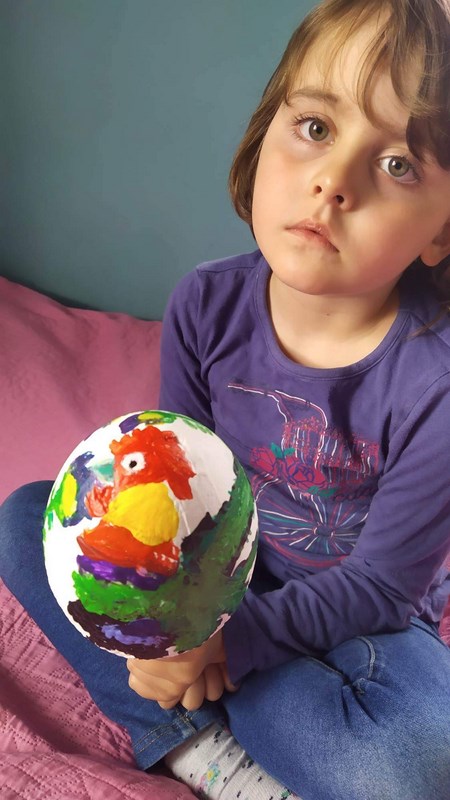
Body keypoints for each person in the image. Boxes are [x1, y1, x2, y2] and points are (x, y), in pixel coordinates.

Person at [1, 0, 450, 798]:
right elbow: (183, 483)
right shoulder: (205, 305)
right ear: (266, 128)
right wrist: (173, 628)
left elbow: (383, 588)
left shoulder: (436, 381)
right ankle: (204, 754)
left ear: (441, 233)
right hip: (219, 576)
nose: (332, 183)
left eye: (397, 166)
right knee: (26, 522)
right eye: (316, 127)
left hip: (367, 628)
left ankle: (212, 707)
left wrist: (227, 648)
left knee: (411, 765)